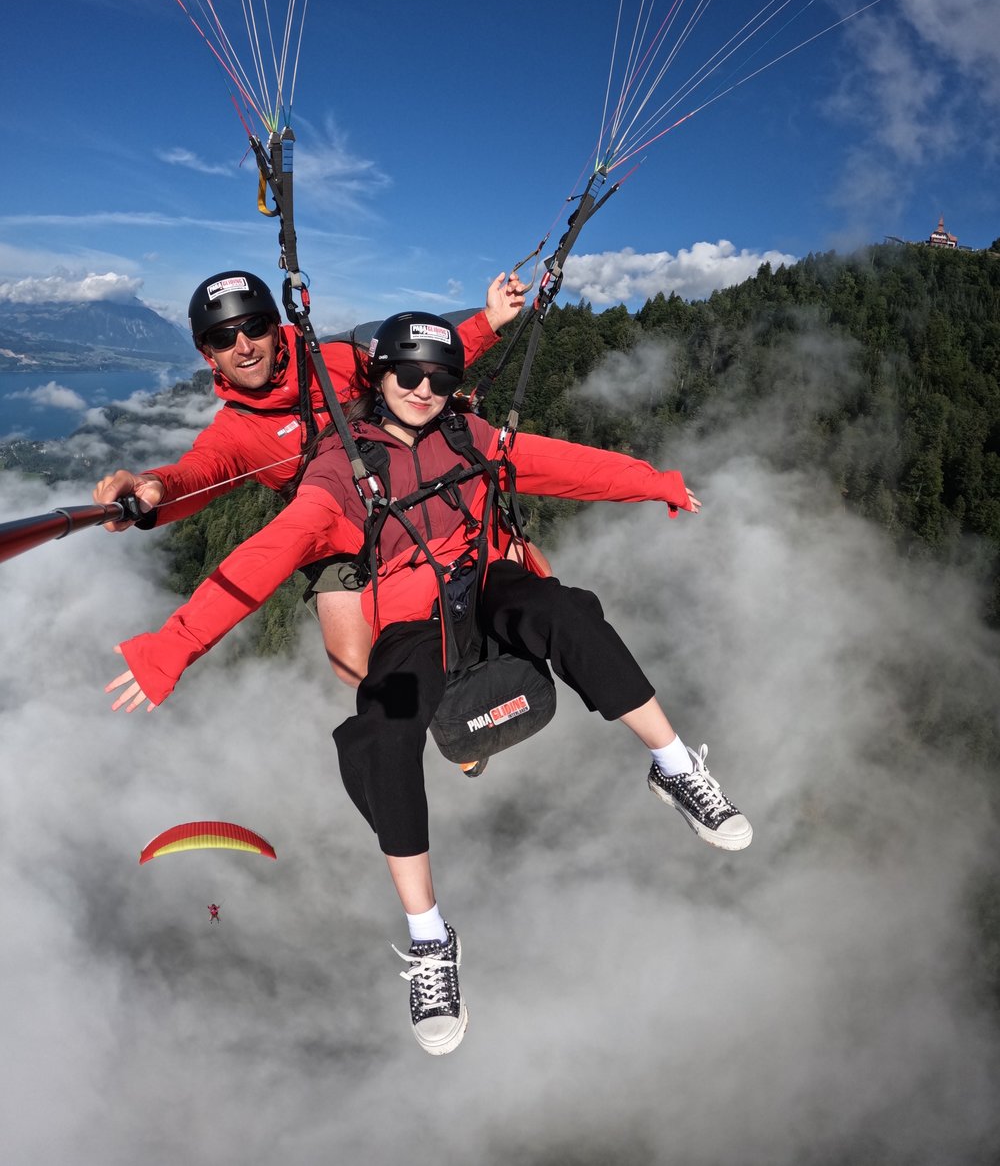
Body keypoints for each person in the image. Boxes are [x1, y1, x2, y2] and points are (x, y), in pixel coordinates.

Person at [106, 311, 752, 1057]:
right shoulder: (339, 474)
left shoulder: (470, 438)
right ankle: (430, 941)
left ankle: (674, 768)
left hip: (486, 581)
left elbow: (567, 464)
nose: (422, 388)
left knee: (568, 615)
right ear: (375, 379)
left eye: (440, 378)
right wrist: (173, 647)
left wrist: (655, 484)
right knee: (381, 730)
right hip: (413, 618)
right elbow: (265, 556)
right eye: (407, 375)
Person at [93, 269, 530, 688]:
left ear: (274, 326)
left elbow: (414, 372)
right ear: (208, 353)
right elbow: (200, 473)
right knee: (353, 662)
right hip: (338, 532)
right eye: (223, 338)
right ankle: (447, 704)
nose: (243, 346)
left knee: (495, 568)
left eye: (254, 327)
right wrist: (154, 488)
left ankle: (501, 661)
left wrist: (490, 321)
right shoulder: (237, 431)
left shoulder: (333, 363)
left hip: (405, 487)